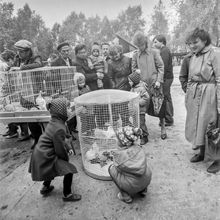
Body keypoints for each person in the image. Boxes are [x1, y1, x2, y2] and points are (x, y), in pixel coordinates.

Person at [29, 98, 82, 202]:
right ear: (60, 111)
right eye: (67, 108)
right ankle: (67, 194)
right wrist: (65, 159)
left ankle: (45, 187)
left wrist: (68, 147)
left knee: (50, 169)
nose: (69, 110)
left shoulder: (55, 121)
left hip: (41, 154)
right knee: (68, 170)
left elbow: (61, 139)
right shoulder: (59, 127)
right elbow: (60, 149)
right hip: (45, 155)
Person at [183, 28, 220, 173]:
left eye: (195, 42)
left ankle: (217, 159)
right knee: (198, 124)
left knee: (211, 125)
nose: (192, 45)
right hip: (195, 94)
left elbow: (219, 79)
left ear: (204, 40)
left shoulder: (214, 54)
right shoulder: (194, 56)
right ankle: (202, 152)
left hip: (209, 94)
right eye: (190, 43)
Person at [132, 31, 167, 140]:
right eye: (138, 46)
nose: (140, 48)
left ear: (146, 42)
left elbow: (161, 67)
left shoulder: (154, 52)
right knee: (142, 109)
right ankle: (144, 133)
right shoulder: (135, 55)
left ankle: (163, 127)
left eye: (141, 45)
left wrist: (158, 81)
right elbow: (133, 69)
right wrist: (139, 82)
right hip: (143, 87)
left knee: (159, 107)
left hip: (155, 85)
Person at [12, 40, 44, 148]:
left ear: (28, 51)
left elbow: (39, 64)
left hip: (35, 92)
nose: (19, 54)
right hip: (23, 91)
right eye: (18, 51)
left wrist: (21, 68)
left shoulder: (35, 57)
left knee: (39, 116)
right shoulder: (18, 59)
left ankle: (43, 140)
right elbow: (13, 67)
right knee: (29, 117)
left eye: (21, 52)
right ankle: (37, 139)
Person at [108, 125, 152, 203]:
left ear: (122, 142)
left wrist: (114, 157)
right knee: (145, 167)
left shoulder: (120, 155)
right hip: (147, 178)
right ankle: (143, 190)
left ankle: (125, 196)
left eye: (117, 138)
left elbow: (118, 168)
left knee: (111, 169)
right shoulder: (139, 147)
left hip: (132, 185)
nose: (116, 140)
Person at [153, 35, 174, 126]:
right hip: (167, 77)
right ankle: (169, 117)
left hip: (166, 78)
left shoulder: (164, 51)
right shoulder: (163, 50)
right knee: (167, 97)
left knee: (165, 97)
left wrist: (160, 79)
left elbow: (163, 66)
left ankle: (168, 119)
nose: (154, 44)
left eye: (156, 42)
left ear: (162, 42)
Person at [128, 72, 150, 145]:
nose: (129, 82)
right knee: (135, 124)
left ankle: (145, 136)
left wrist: (138, 102)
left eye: (130, 81)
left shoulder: (141, 88)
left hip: (140, 111)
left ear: (134, 81)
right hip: (134, 111)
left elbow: (146, 98)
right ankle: (138, 135)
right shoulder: (132, 89)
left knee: (141, 124)